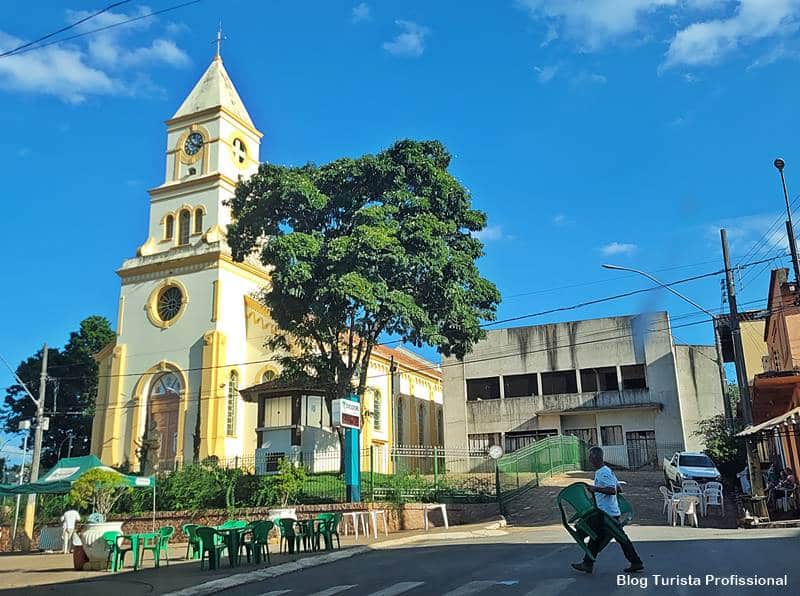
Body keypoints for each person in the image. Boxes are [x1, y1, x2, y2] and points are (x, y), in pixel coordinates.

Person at [571, 446, 644, 574]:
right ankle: (588, 563)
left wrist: (596, 489)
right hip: (608, 513)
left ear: (596, 458)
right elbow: (619, 488)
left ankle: (635, 562)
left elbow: (613, 490)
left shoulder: (603, 472)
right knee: (602, 537)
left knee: (587, 527)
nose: (589, 459)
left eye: (590, 457)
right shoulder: (607, 471)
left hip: (606, 514)